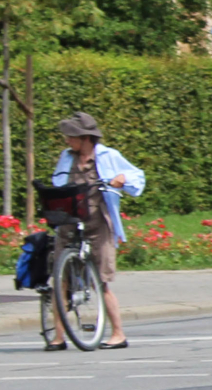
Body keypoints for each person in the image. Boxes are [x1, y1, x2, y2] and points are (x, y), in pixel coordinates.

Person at [44, 112, 144, 349]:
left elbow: (137, 176)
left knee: (101, 281)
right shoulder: (66, 157)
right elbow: (57, 182)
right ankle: (59, 337)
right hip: (68, 221)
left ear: (85, 137)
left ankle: (118, 333)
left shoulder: (108, 155)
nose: (67, 141)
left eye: (71, 136)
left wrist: (121, 178)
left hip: (97, 224)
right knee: (61, 281)